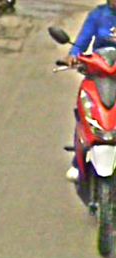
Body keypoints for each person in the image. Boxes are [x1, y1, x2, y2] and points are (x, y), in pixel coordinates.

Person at [66, 0, 116, 182]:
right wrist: (73, 56)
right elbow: (82, 42)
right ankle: (77, 160)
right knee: (84, 112)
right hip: (99, 73)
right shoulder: (98, 15)